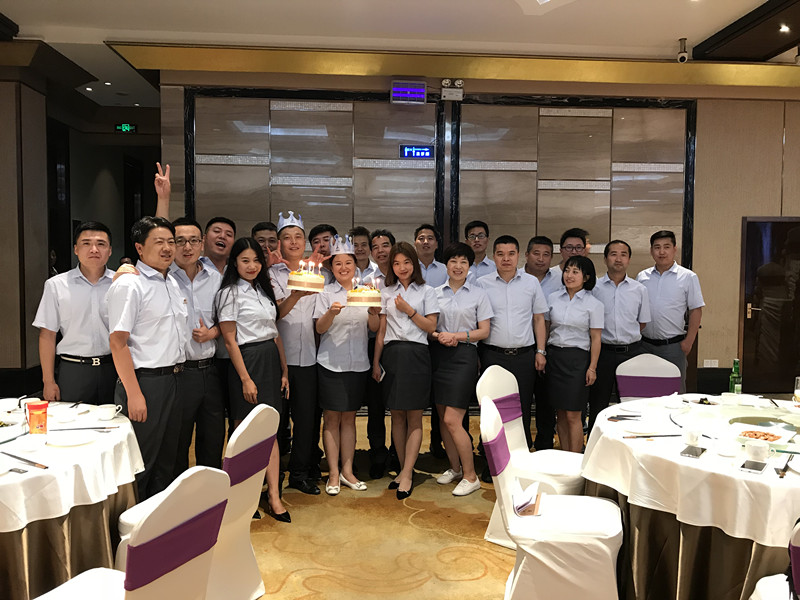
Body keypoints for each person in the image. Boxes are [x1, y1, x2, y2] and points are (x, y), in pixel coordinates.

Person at [106, 216, 187, 499]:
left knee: (167, 459)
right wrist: (134, 393)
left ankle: (159, 521)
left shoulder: (171, 282)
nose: (167, 248)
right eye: (158, 242)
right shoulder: (130, 284)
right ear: (139, 248)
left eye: (171, 242)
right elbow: (117, 342)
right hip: (145, 383)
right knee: (141, 462)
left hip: (175, 379)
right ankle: (132, 522)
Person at [216, 237, 290, 522]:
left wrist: (284, 369)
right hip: (246, 361)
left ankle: (274, 496)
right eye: (245, 260)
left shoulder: (263, 290)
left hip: (269, 358)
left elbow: (274, 332)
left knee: (270, 429)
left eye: (256, 260)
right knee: (244, 433)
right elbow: (230, 340)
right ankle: (242, 497)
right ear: (234, 263)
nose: (251, 266)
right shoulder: (229, 293)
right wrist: (245, 379)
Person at [314, 235, 380, 495]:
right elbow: (319, 328)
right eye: (338, 263)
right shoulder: (325, 293)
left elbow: (373, 327)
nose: (343, 268)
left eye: (348, 263)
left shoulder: (365, 291)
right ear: (331, 267)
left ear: (355, 265)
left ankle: (348, 470)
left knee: (350, 419)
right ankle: (333, 473)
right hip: (331, 363)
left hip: (358, 364)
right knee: (331, 419)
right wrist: (331, 312)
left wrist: (373, 312)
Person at [372, 242, 439, 499]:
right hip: (392, 355)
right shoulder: (386, 291)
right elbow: (381, 332)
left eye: (407, 262)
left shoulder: (427, 291)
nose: (402, 267)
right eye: (397, 263)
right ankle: (402, 468)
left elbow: (431, 327)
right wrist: (376, 362)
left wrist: (409, 310)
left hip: (416, 354)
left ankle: (408, 473)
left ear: (415, 264)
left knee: (414, 416)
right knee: (396, 415)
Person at [432, 243, 492, 496]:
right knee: (442, 418)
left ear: (469, 266)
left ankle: (470, 475)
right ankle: (455, 468)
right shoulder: (434, 293)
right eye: (453, 261)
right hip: (438, 355)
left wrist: (456, 336)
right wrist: (438, 336)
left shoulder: (479, 294)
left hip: (464, 356)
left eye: (463, 262)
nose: (458, 266)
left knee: (452, 419)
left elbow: (484, 331)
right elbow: (429, 326)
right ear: (446, 265)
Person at [477, 235, 548, 451]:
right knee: (493, 409)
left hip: (524, 356)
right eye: (500, 254)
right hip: (492, 354)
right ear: (493, 256)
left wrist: (541, 351)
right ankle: (492, 458)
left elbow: (539, 319)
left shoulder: (531, 282)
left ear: (518, 256)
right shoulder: (482, 284)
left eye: (511, 254)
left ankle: (520, 454)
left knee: (521, 407)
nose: (506, 259)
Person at [270, 212, 324, 495]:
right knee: (277, 421)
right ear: (279, 243)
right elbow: (274, 314)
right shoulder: (270, 275)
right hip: (279, 360)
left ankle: (300, 473)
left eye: (298, 237)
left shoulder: (319, 274)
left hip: (310, 359)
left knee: (306, 420)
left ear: (305, 242)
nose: (293, 242)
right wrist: (295, 295)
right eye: (287, 237)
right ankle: (274, 475)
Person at [34, 221, 116, 405]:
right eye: (86, 243)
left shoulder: (122, 283)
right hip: (73, 370)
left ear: (110, 250)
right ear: (76, 249)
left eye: (101, 244)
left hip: (114, 367)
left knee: (117, 420)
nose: (94, 249)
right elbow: (47, 335)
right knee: (72, 421)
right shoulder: (56, 285)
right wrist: (48, 381)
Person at [169, 217, 226, 474]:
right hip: (179, 373)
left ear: (202, 244)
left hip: (211, 370)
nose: (187, 247)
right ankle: (179, 493)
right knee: (178, 440)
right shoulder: (163, 278)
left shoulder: (215, 279)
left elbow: (227, 320)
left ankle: (210, 492)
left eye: (193, 240)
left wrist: (212, 332)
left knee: (213, 438)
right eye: (180, 241)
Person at [588, 240, 650, 434]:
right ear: (605, 259)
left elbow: (642, 323)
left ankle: (630, 442)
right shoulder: (594, 288)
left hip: (631, 352)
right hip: (603, 353)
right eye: (613, 254)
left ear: (629, 259)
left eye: (623, 254)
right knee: (598, 402)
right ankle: (596, 442)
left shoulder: (639, 289)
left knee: (631, 404)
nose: (618, 258)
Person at [545, 255, 604, 453]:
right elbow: (546, 327)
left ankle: (576, 459)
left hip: (578, 361)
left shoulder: (594, 304)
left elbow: (596, 338)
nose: (569, 275)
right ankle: (564, 456)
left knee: (573, 414)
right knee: (560, 413)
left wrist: (592, 368)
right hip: (555, 358)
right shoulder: (553, 298)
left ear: (586, 277)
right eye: (567, 270)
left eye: (575, 272)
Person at [637, 230, 704, 392]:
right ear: (651, 251)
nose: (662, 252)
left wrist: (689, 341)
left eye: (666, 247)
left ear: (674, 249)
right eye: (657, 247)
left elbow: (696, 310)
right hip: (644, 346)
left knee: (674, 393)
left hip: (673, 347)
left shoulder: (688, 277)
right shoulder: (642, 277)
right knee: (646, 392)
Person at [522, 235, 560, 451]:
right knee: (521, 400)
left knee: (546, 399)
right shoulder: (516, 277)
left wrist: (543, 349)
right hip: (523, 346)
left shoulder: (560, 279)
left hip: (551, 346)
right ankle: (522, 444)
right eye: (536, 253)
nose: (541, 259)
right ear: (526, 255)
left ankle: (545, 444)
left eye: (546, 255)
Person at [365, 228, 396, 479]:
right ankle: (377, 452)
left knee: (398, 404)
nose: (380, 250)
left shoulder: (404, 275)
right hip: (372, 344)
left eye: (385, 245)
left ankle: (397, 452)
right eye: (375, 247)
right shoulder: (367, 280)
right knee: (375, 405)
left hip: (397, 347)